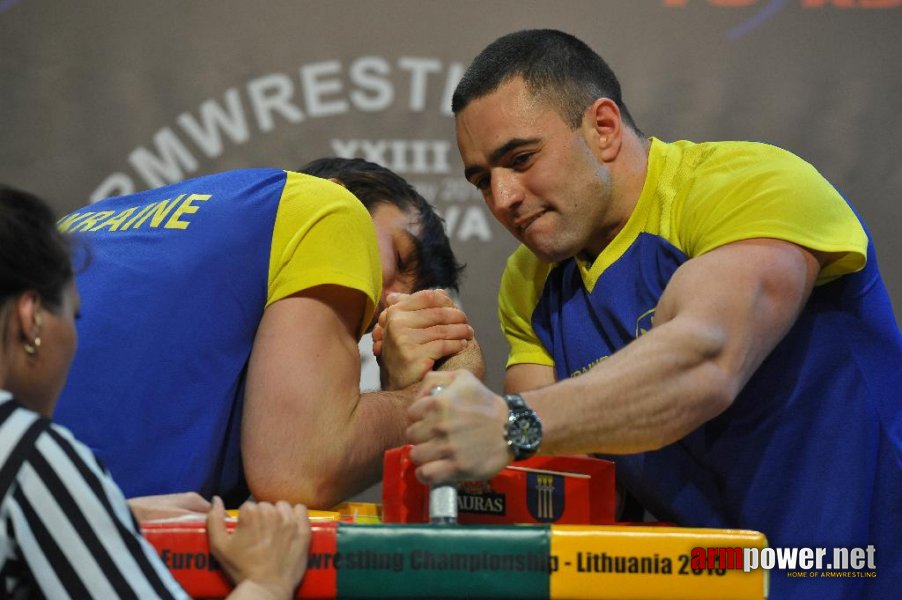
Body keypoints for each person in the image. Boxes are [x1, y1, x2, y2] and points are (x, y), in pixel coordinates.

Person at [405, 29, 901, 599]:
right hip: (709, 585)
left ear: (604, 128)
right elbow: (556, 481)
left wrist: (510, 421)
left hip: (865, 571)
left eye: (520, 159)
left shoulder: (748, 185)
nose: (503, 198)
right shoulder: (528, 282)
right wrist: (440, 381)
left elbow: (703, 361)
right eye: (481, 180)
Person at [52, 158, 480, 511]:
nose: (389, 302)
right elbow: (299, 469)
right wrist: (434, 394)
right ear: (336, 190)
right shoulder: (328, 206)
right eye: (400, 257)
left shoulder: (79, 224)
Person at [0, 185, 310, 599]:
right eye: (74, 316)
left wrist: (102, 515)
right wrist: (268, 580)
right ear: (31, 319)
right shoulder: (27, 451)